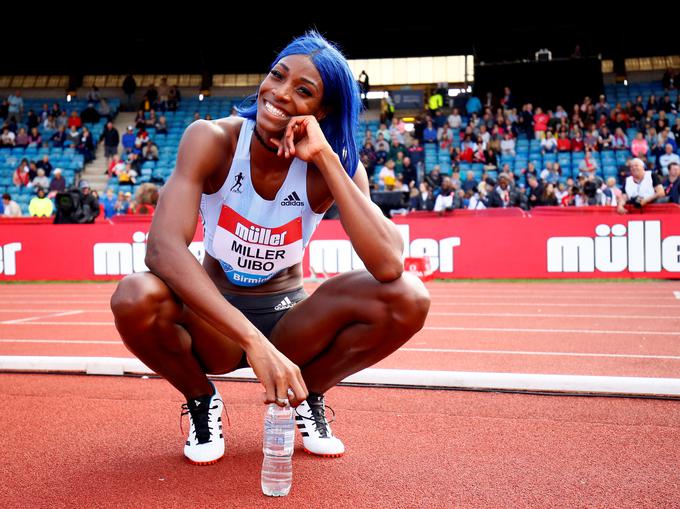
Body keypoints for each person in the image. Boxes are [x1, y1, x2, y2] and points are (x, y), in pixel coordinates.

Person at [110, 30, 430, 467]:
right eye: (277, 76)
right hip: (216, 322)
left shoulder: (330, 166)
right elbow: (163, 249)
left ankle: (305, 393)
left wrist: (328, 160)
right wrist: (252, 342)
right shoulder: (212, 139)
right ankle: (202, 400)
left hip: (290, 321)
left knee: (409, 297)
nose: (279, 93)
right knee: (134, 296)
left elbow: (390, 263)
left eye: (303, 91)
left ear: (324, 110)